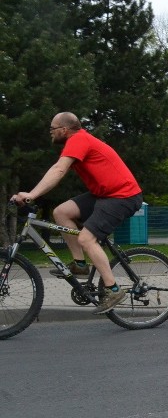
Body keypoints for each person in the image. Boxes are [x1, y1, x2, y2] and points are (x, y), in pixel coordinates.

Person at [11, 112, 143, 315]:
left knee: (86, 238)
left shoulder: (79, 139)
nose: (50, 133)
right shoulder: (76, 142)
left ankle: (113, 290)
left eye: (52, 129)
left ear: (64, 130)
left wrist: (31, 195)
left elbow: (59, 170)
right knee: (61, 212)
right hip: (103, 195)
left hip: (122, 196)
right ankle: (80, 265)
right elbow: (57, 170)